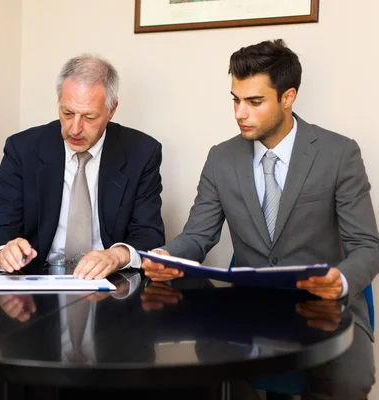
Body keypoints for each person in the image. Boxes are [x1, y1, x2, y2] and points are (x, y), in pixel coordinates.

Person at [142, 39, 378, 399]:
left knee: (349, 381)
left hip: (329, 308)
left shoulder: (339, 153)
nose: (240, 113)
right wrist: (168, 255)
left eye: (254, 102)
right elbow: (197, 237)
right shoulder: (221, 158)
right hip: (248, 309)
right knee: (195, 371)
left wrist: (342, 280)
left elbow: (367, 246)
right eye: (236, 100)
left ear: (288, 97)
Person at [0, 54, 165, 279]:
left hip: (111, 285)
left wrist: (117, 255)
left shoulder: (142, 152)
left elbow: (149, 235)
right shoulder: (23, 149)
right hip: (37, 284)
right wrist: (2, 253)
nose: (74, 129)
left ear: (112, 110)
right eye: (67, 113)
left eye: (89, 117)